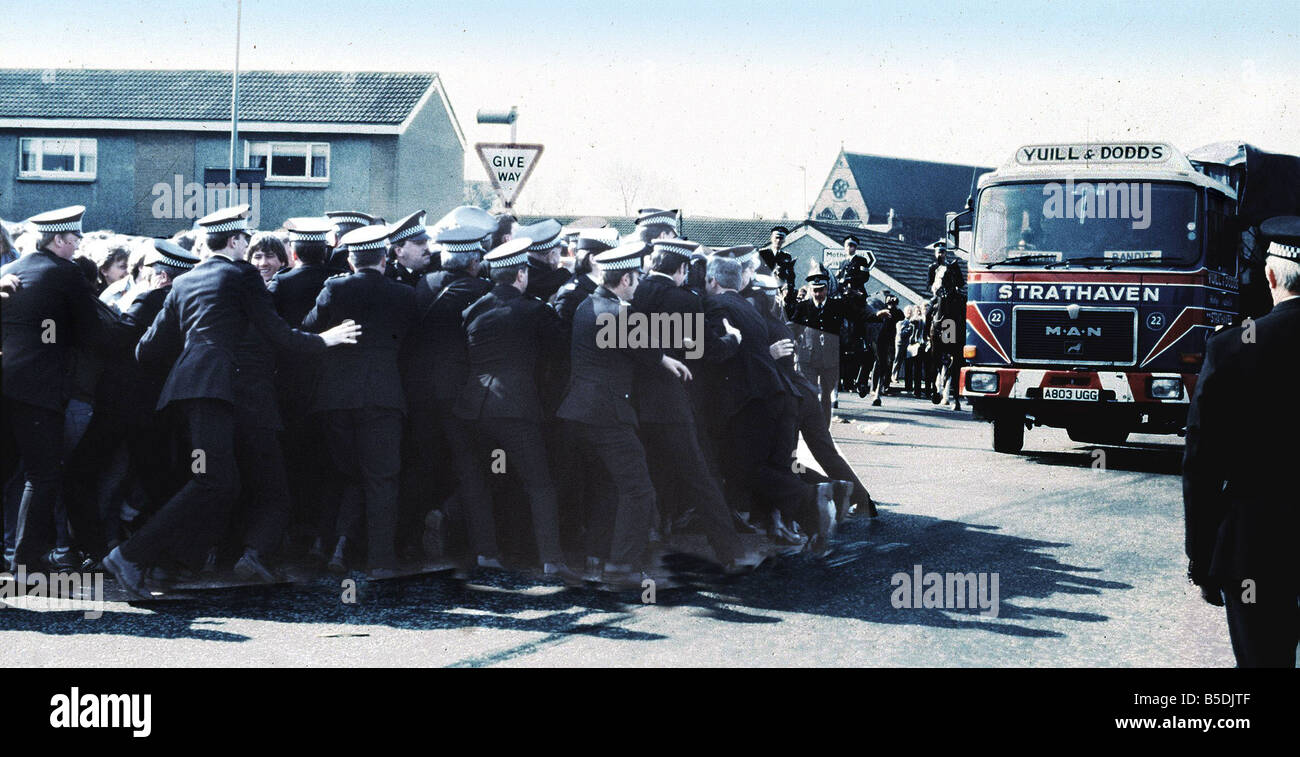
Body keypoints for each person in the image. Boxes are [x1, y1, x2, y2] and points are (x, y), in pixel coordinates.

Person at [101, 205, 360, 597]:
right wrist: (324, 339)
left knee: (220, 483)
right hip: (219, 389)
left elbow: (146, 351)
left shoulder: (185, 282)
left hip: (189, 393)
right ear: (236, 241)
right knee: (213, 482)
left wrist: (193, 355)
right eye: (246, 241)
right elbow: (277, 333)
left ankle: (163, 562)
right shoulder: (242, 275)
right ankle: (131, 555)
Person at [1184, 215, 1300, 668]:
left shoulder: (1231, 349)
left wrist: (1203, 559)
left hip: (1257, 547)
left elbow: (1201, 465)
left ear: (1270, 276)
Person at [556, 241, 693, 586]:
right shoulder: (620, 314)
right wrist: (667, 358)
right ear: (627, 279)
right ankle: (622, 567)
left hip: (577, 412)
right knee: (638, 489)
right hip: (608, 414)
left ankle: (595, 558)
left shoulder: (589, 304)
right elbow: (654, 344)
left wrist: (659, 357)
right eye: (636, 278)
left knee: (607, 486)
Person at [454, 237, 581, 583]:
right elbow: (561, 347)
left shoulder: (473, 309)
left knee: (480, 481)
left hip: (472, 408)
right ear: (522, 275)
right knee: (539, 484)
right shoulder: (534, 310)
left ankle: (486, 553)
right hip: (515, 408)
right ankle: (552, 560)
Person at [304, 223, 416, 578]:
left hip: (336, 396)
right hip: (383, 395)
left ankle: (330, 547)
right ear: (384, 259)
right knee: (382, 478)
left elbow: (308, 327)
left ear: (351, 261)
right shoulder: (404, 294)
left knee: (342, 473)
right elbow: (410, 340)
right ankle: (381, 560)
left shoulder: (335, 287)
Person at [631, 238, 748, 569]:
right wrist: (733, 339)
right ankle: (730, 551)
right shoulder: (683, 300)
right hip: (674, 401)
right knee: (701, 477)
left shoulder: (636, 294)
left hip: (637, 402)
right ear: (682, 268)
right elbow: (706, 350)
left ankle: (649, 540)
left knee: (648, 474)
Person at [1, 206, 105, 572]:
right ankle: (26, 562)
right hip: (39, 389)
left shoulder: (8, 271)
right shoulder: (66, 273)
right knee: (42, 474)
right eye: (75, 239)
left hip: (6, 383)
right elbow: (93, 332)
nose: (77, 247)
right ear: (59, 239)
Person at [401, 210, 496, 567]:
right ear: (474, 262)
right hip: (459, 392)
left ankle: (409, 541)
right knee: (471, 467)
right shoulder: (482, 291)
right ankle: (482, 548)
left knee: (422, 464)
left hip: (418, 390)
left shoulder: (421, 285)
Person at [514, 219, 570, 302]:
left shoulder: (518, 272)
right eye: (560, 252)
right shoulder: (562, 278)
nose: (560, 256)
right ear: (552, 254)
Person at [384, 210, 432, 286]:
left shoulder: (435, 268)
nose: (426, 247)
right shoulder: (389, 277)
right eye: (419, 243)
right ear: (399, 251)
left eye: (426, 242)